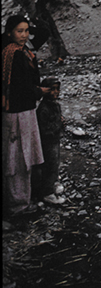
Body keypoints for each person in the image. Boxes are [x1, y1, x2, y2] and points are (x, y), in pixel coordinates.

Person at [2, 15, 51, 217]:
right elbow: (19, 88)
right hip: (16, 112)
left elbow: (43, 33)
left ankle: (21, 200)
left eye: (26, 31)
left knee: (23, 157)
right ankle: (17, 206)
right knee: (18, 159)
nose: (24, 35)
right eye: (19, 31)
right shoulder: (12, 55)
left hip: (23, 110)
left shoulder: (22, 50)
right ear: (9, 33)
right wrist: (40, 92)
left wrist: (34, 18)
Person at [34, 77, 66, 205]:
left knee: (55, 163)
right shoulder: (44, 109)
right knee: (49, 165)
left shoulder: (55, 106)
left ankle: (52, 185)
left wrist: (61, 122)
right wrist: (58, 124)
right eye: (52, 89)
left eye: (57, 89)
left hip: (55, 141)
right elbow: (44, 129)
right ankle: (47, 192)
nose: (56, 92)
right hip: (47, 143)